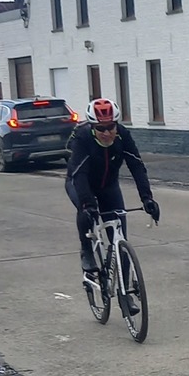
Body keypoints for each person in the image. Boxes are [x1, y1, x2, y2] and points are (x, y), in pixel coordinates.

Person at [65, 97, 158, 274]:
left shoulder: (123, 135)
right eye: (101, 128)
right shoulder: (83, 138)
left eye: (111, 127)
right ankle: (86, 250)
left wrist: (147, 198)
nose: (107, 133)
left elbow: (137, 166)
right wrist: (87, 204)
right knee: (85, 211)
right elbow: (79, 174)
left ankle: (124, 286)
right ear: (93, 127)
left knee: (120, 239)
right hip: (80, 182)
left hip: (108, 185)